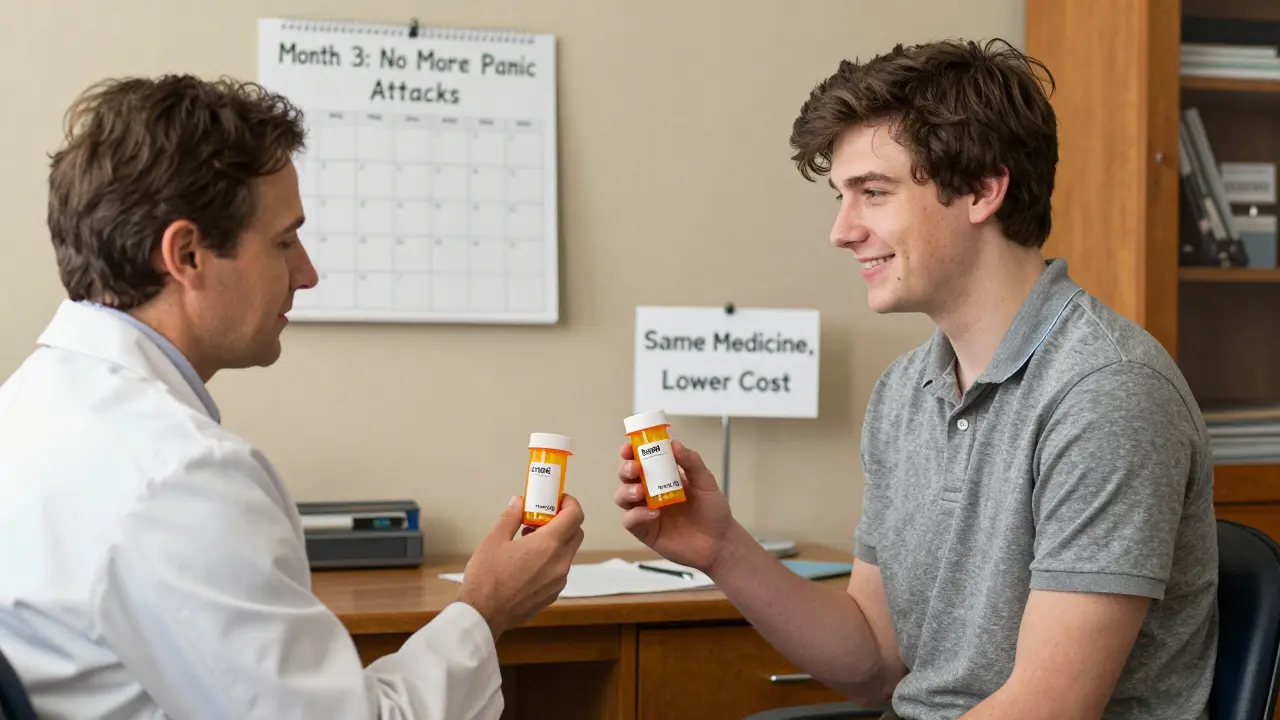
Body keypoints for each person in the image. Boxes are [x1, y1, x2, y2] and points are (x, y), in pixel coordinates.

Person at [614, 38, 1217, 720]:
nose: (842, 232)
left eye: (873, 193)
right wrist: (722, 548)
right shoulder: (906, 391)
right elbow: (873, 662)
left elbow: (1050, 708)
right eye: (843, 197)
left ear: (985, 190)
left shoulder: (1108, 392)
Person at [0, 75, 584, 719]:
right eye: (284, 241)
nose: (306, 273)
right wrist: (484, 607)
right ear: (187, 254)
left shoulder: (26, 408)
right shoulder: (177, 477)